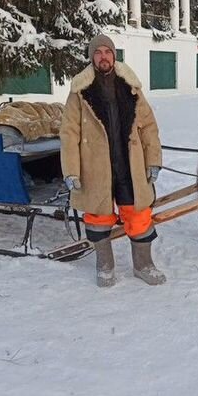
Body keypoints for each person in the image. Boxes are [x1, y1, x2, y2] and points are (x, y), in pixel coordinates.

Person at [60, 34, 165, 287]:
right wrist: (71, 171)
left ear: (114, 56)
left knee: (139, 215)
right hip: (96, 167)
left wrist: (153, 160)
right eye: (98, 52)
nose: (103, 56)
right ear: (92, 57)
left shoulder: (130, 85)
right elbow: (69, 132)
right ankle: (104, 266)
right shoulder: (80, 91)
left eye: (107, 51)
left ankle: (143, 265)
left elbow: (149, 126)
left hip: (130, 165)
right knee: (97, 217)